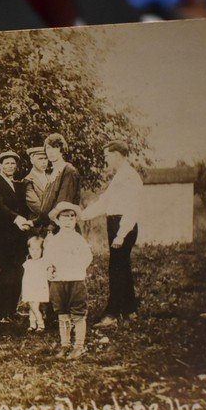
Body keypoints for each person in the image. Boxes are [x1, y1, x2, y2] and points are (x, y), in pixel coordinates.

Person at [81, 140, 142, 326]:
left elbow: (132, 208)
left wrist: (121, 234)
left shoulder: (130, 177)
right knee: (122, 266)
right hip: (116, 224)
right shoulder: (121, 176)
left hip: (123, 226)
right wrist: (83, 215)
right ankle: (130, 310)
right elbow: (106, 202)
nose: (106, 159)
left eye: (108, 155)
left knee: (116, 268)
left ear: (117, 155)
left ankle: (112, 314)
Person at [0, 151, 32, 323]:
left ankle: (12, 309)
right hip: (4, 237)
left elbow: (23, 208)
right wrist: (16, 218)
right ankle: (1, 312)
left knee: (18, 271)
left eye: (13, 163)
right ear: (0, 165)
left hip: (19, 236)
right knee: (7, 273)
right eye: (6, 163)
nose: (10, 166)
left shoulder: (18, 185)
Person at [44, 202, 93, 358]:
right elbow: (48, 258)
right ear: (57, 221)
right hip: (59, 281)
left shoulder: (78, 239)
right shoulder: (52, 240)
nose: (68, 221)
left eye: (72, 218)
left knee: (78, 313)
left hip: (75, 280)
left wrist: (77, 267)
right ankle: (65, 345)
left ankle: (78, 345)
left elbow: (87, 257)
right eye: (64, 217)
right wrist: (49, 268)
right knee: (62, 314)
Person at [35, 133, 81, 231]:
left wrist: (51, 229)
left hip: (62, 228)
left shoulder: (68, 171)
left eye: (55, 147)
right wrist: (34, 222)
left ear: (61, 149)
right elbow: (46, 206)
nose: (50, 152)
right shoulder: (53, 173)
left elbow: (63, 204)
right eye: (48, 148)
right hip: (50, 227)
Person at [22, 236, 49, 332]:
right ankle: (32, 324)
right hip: (30, 287)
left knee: (35, 307)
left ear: (42, 250)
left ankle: (41, 324)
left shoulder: (43, 262)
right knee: (31, 306)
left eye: (37, 249)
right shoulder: (28, 262)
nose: (34, 252)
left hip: (38, 287)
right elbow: (26, 278)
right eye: (32, 249)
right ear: (29, 250)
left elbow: (47, 273)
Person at [24, 146, 54, 223]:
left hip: (54, 222)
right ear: (32, 160)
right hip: (38, 224)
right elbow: (36, 206)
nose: (44, 162)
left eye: (46, 158)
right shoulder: (28, 180)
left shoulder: (51, 177)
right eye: (40, 159)